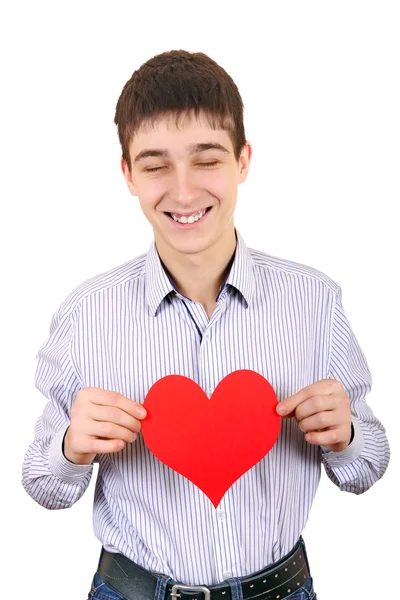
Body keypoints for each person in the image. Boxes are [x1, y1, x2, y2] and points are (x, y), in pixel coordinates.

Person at [22, 50, 390, 600]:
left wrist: (350, 438)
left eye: (207, 159)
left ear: (243, 161)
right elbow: (43, 485)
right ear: (127, 175)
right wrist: (71, 446)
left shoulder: (315, 302)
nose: (185, 191)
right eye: (154, 165)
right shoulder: (85, 315)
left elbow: (368, 466)